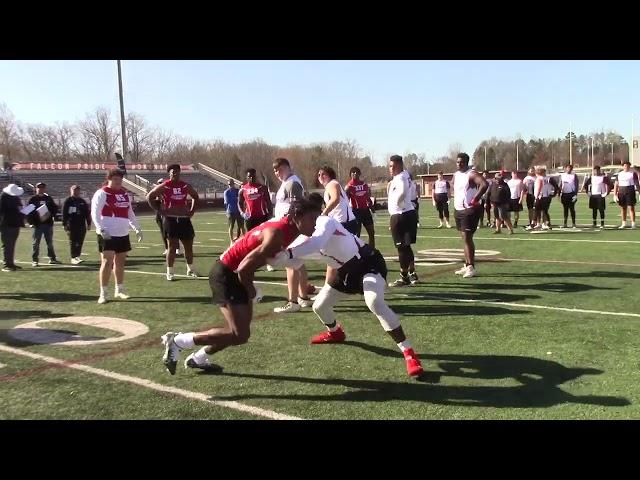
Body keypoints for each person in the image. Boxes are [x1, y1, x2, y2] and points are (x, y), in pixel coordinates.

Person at [160, 199, 321, 374]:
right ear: (297, 216)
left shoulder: (288, 227)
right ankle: (178, 341)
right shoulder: (278, 234)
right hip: (226, 274)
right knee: (239, 334)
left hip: (234, 272)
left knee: (240, 335)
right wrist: (252, 289)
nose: (315, 224)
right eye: (312, 218)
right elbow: (243, 268)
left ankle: (198, 358)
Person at [270, 197, 423, 377]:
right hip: (343, 272)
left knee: (374, 301)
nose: (315, 220)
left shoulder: (324, 222)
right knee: (319, 306)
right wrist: (268, 257)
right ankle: (335, 332)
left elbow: (316, 243)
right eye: (310, 218)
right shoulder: (299, 239)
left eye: (315, 216)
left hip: (367, 262)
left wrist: (286, 254)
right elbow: (294, 263)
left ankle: (409, 353)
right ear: (296, 219)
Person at [91, 169, 143, 304]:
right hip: (107, 232)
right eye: (115, 179)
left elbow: (130, 212)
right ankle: (103, 293)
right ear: (109, 179)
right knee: (107, 262)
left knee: (120, 262)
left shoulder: (124, 194)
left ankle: (119, 289)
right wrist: (100, 228)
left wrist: (137, 228)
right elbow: (95, 213)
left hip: (122, 233)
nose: (118, 181)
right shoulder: (102, 193)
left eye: (120, 179)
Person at [271, 157, 314, 313]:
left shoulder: (292, 183)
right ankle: (303, 298)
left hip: (291, 229)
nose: (277, 172)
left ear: (288, 167)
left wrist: (286, 224)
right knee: (298, 264)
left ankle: (293, 301)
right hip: (290, 228)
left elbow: (296, 207)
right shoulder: (287, 183)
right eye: (275, 170)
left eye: (280, 169)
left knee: (290, 264)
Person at [146, 164, 200, 281]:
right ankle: (170, 272)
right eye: (172, 172)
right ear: (169, 174)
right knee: (172, 247)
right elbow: (150, 197)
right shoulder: (165, 186)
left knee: (188, 246)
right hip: (170, 219)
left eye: (176, 171)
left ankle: (190, 269)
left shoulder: (185, 185)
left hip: (184, 219)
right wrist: (160, 211)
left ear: (180, 172)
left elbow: (195, 196)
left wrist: (192, 211)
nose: (174, 173)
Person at [452, 153, 488, 278]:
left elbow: (484, 184)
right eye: (457, 162)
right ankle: (467, 265)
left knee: (467, 238)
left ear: (466, 162)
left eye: (461, 162)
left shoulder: (471, 173)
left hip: (469, 210)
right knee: (464, 238)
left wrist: (475, 199)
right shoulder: (456, 175)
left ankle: (471, 267)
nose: (459, 164)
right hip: (459, 209)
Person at [387, 155, 419, 287]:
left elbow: (403, 191)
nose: (390, 168)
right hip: (407, 213)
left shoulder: (401, 178)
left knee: (401, 248)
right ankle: (412, 273)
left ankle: (404, 276)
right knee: (406, 246)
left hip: (401, 215)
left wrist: (398, 205)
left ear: (399, 166)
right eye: (389, 166)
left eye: (392, 166)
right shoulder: (404, 175)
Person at [27, 182, 60, 266]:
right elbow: (28, 212)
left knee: (49, 242)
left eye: (42, 187)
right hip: (37, 224)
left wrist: (50, 213)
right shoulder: (33, 199)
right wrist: (31, 223)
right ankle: (35, 260)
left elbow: (55, 209)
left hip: (48, 223)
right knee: (36, 243)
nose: (40, 189)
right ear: (36, 189)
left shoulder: (48, 198)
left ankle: (52, 258)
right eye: (39, 187)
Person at [317, 166, 358, 234]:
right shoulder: (331, 186)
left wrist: (324, 213)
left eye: (323, 174)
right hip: (343, 222)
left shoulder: (332, 184)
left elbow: (335, 199)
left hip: (343, 223)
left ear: (330, 175)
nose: (320, 176)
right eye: (319, 175)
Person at [345, 166, 375, 247]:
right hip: (356, 212)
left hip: (366, 211)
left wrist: (372, 207)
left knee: (371, 232)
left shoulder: (364, 184)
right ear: (350, 174)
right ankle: (355, 253)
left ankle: (372, 252)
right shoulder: (349, 187)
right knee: (356, 235)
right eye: (353, 172)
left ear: (360, 173)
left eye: (357, 172)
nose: (355, 173)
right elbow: (346, 201)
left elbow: (367, 197)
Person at [62, 185, 91, 264]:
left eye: (77, 190)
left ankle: (77, 256)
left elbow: (87, 213)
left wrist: (88, 223)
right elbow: (64, 213)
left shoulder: (82, 201)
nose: (76, 191)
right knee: (73, 241)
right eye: (74, 190)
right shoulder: (68, 201)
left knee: (80, 241)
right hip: (71, 225)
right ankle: (73, 257)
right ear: (71, 191)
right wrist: (64, 224)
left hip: (81, 224)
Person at [0, 183, 25, 272]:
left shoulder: (15, 197)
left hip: (15, 224)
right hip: (7, 224)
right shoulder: (3, 197)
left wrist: (25, 211)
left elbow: (20, 208)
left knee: (11, 245)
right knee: (7, 245)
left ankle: (11, 263)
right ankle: (7, 264)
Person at [613, 160, 639, 229]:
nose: (626, 167)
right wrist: (615, 194)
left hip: (630, 191)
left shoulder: (633, 173)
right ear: (623, 166)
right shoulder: (619, 174)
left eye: (627, 165)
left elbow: (637, 183)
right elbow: (616, 184)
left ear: (629, 166)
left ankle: (633, 224)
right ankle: (623, 223)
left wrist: (639, 192)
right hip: (621, 192)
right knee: (623, 208)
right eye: (625, 165)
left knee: (631, 208)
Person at [582, 165, 609, 229]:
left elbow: (610, 185)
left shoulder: (603, 177)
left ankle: (602, 224)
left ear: (599, 170)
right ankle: (594, 223)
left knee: (601, 210)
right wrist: (588, 192)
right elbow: (586, 185)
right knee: (594, 210)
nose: (595, 172)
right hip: (593, 196)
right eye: (594, 171)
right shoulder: (592, 178)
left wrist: (606, 193)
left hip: (600, 195)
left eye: (597, 170)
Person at [528, 165, 553, 231]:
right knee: (545, 211)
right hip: (545, 197)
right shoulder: (545, 178)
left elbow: (539, 187)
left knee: (536, 211)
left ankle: (532, 224)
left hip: (540, 197)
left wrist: (536, 197)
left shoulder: (539, 179)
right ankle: (547, 224)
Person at [222, 179, 244, 244]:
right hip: (231, 211)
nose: (230, 185)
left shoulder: (237, 191)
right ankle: (231, 240)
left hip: (239, 211)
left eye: (231, 184)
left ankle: (243, 238)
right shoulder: (227, 192)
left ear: (233, 184)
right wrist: (226, 212)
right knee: (231, 226)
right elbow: (227, 202)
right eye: (229, 184)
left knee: (241, 226)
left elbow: (241, 200)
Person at [558, 164, 579, 229]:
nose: (569, 169)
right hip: (564, 194)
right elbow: (560, 185)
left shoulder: (574, 175)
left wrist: (575, 194)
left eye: (570, 168)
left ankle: (573, 223)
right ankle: (565, 223)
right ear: (565, 168)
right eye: (567, 168)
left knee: (572, 209)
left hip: (571, 194)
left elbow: (576, 185)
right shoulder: (562, 175)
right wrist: (559, 194)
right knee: (565, 209)